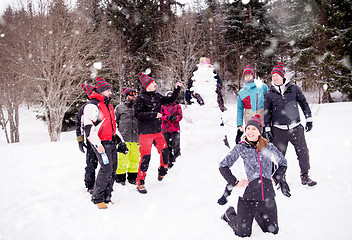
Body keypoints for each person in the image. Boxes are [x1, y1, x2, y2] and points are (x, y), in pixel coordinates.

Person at [218, 115, 291, 237]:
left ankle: (258, 214)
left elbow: (283, 163)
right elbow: (223, 165)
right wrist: (235, 182)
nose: (250, 132)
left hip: (267, 198)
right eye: (248, 129)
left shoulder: (268, 146)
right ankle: (229, 214)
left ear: (259, 131)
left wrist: (276, 178)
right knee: (243, 234)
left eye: (254, 129)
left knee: (273, 231)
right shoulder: (240, 148)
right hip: (247, 199)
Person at [264, 62, 317, 186]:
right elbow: (267, 112)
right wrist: (267, 128)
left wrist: (308, 118)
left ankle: (305, 175)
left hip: (296, 128)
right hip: (278, 130)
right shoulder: (269, 93)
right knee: (279, 156)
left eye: (277, 75)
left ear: (282, 77)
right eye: (273, 76)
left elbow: (303, 103)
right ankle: (281, 177)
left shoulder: (293, 88)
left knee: (303, 152)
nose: (274, 78)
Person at [83, 77, 128, 209]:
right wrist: (97, 144)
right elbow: (88, 128)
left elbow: (114, 127)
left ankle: (107, 197)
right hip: (101, 143)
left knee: (113, 169)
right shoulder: (92, 106)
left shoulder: (109, 105)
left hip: (111, 142)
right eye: (108, 90)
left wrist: (121, 141)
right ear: (101, 91)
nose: (110, 93)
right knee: (106, 169)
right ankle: (97, 198)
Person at [134, 72, 182, 194]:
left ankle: (162, 171)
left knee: (165, 152)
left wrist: (176, 90)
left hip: (157, 132)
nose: (155, 84)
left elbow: (170, 99)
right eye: (153, 83)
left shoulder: (156, 96)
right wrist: (154, 115)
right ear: (147, 85)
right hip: (145, 133)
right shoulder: (140, 98)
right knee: (145, 158)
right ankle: (140, 182)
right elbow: (137, 114)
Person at [236, 65, 268, 144]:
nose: (248, 77)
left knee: (264, 145)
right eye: (246, 76)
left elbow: (270, 102)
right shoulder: (242, 92)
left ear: (253, 76)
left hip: (262, 120)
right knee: (251, 144)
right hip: (250, 122)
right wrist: (239, 124)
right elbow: (240, 108)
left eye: (249, 75)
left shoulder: (262, 87)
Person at [76, 84, 98, 194]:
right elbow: (79, 125)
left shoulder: (101, 105)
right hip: (91, 141)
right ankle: (90, 184)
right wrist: (80, 140)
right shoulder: (84, 108)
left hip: (103, 139)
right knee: (91, 164)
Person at [115, 87, 140, 185]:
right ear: (126, 96)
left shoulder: (138, 107)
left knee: (135, 159)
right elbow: (115, 122)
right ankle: (120, 178)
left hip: (136, 138)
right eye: (131, 94)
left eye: (134, 94)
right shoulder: (119, 108)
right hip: (124, 139)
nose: (134, 96)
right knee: (122, 160)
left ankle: (132, 178)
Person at [161, 91, 183, 169]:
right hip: (165, 129)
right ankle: (168, 162)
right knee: (166, 146)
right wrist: (166, 118)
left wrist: (175, 118)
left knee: (176, 145)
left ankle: (177, 161)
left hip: (175, 128)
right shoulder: (162, 106)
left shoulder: (177, 106)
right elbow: (160, 116)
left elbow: (180, 116)